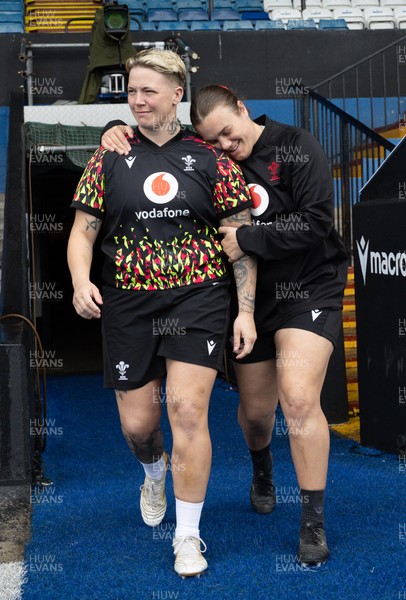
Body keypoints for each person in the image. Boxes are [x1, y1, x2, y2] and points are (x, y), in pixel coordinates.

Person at [101, 83, 349, 567]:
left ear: (242, 106)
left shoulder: (297, 145)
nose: (226, 149)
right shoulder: (209, 158)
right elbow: (159, 139)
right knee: (257, 415)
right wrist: (117, 131)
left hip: (309, 288)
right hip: (248, 298)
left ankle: (313, 521)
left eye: (231, 137)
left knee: (297, 397)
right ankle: (262, 467)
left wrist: (251, 237)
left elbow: (318, 222)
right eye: (215, 143)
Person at [67, 55, 257, 579]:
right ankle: (154, 471)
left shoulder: (212, 159)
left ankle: (188, 535)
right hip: (128, 302)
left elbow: (238, 239)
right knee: (139, 424)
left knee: (189, 411)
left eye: (150, 90)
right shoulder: (109, 155)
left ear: (177, 93)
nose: (138, 99)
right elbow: (83, 231)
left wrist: (244, 311)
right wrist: (82, 281)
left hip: (198, 298)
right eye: (131, 91)